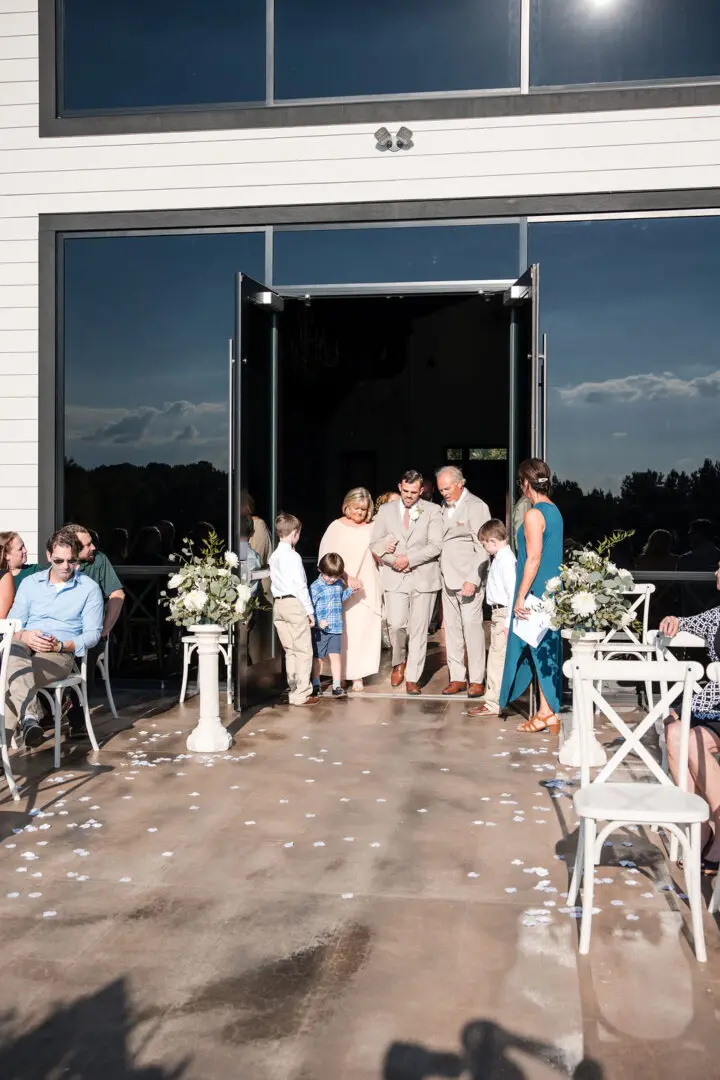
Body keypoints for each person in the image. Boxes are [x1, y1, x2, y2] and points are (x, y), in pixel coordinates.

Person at [5, 528, 103, 749]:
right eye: (58, 560)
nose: (65, 566)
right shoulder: (31, 584)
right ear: (48, 556)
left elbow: (92, 635)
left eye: (70, 560)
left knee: (8, 678)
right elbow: (12, 625)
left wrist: (61, 645)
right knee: (13, 654)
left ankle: (16, 732)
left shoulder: (89, 589)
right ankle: (30, 717)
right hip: (24, 647)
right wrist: (26, 635)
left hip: (58, 653)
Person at [659, 560, 720, 873]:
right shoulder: (716, 615)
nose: (716, 573)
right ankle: (701, 825)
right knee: (674, 731)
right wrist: (672, 620)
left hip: (713, 714)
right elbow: (684, 622)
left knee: (692, 737)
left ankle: (717, 824)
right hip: (711, 706)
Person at [500, 458, 564, 733]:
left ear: (526, 483)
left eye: (520, 483)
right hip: (551, 591)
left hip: (536, 592)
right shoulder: (554, 511)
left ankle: (546, 712)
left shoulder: (534, 513)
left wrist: (520, 597)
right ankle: (546, 710)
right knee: (544, 649)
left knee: (537, 649)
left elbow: (534, 558)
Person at [370, 470, 442, 695]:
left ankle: (413, 676)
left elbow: (435, 545)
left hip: (423, 576)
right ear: (400, 487)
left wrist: (409, 560)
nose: (409, 496)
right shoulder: (385, 510)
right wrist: (394, 561)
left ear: (421, 491)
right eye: (406, 491)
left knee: (420, 629)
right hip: (395, 575)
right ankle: (398, 661)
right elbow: (374, 543)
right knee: (397, 624)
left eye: (414, 492)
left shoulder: (433, 511)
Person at [63, 523, 126, 735]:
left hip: (91, 633)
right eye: (87, 545)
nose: (93, 548)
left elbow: (117, 594)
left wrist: (105, 629)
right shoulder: (58, 566)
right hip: (62, 633)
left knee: (85, 651)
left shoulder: (99, 560)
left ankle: (77, 718)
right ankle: (46, 712)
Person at [320, 487, 382, 692]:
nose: (360, 513)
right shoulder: (335, 527)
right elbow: (326, 558)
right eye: (356, 508)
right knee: (343, 632)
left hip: (368, 585)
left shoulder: (374, 527)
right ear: (347, 505)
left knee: (364, 630)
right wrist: (346, 577)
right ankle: (342, 675)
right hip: (341, 586)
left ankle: (359, 675)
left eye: (364, 509)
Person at [436, 466, 491, 698]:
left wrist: (473, 578)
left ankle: (477, 679)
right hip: (447, 579)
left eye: (447, 488)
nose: (444, 493)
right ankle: (457, 676)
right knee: (453, 630)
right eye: (441, 490)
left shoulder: (476, 507)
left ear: (460, 483)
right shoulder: (442, 508)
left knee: (472, 629)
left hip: (468, 579)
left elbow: (484, 546)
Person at [269, 513, 318, 708]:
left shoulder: (274, 556)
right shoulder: (293, 556)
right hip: (294, 604)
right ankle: (302, 693)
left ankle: (292, 689)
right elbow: (300, 585)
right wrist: (309, 611)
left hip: (278, 604)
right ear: (295, 533)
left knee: (290, 650)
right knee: (303, 649)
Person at [468, 519, 516, 718]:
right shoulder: (500, 557)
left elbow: (512, 590)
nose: (484, 547)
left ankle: (493, 702)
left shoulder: (505, 560)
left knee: (497, 658)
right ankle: (494, 699)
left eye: (484, 543)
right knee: (496, 656)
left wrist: (508, 621)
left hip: (503, 612)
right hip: (498, 613)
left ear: (493, 541)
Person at [310, 552, 358, 698]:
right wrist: (318, 622)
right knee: (318, 658)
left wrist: (350, 591)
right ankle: (316, 683)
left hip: (336, 628)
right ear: (320, 570)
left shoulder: (338, 584)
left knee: (336, 657)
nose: (332, 579)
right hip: (320, 629)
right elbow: (310, 608)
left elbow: (340, 599)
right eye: (329, 576)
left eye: (336, 576)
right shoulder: (315, 587)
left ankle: (336, 685)